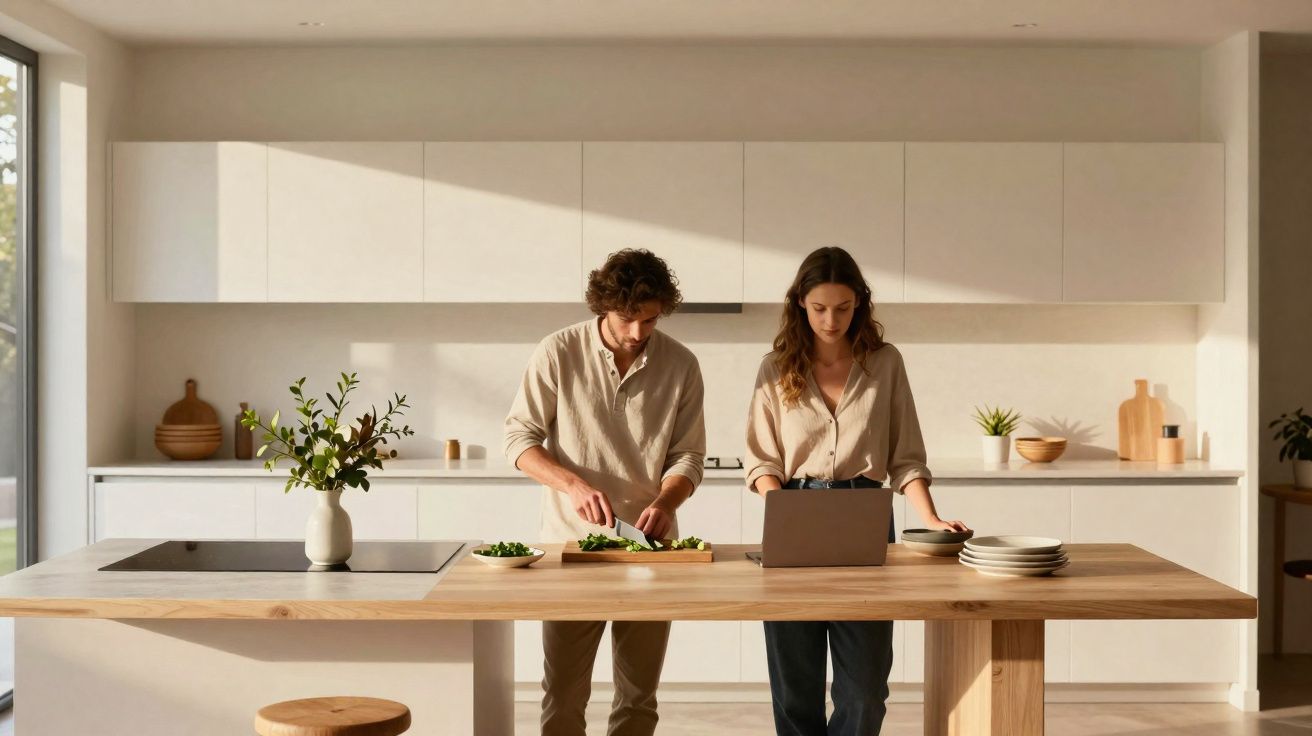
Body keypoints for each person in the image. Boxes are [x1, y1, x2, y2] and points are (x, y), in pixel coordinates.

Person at [745, 246, 969, 736]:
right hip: (794, 514)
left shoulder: (884, 364)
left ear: (859, 304)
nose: (831, 321)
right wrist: (782, 509)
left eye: (843, 308)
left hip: (864, 518)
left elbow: (906, 456)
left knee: (864, 689)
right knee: (795, 687)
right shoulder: (775, 367)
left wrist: (931, 519)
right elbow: (762, 460)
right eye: (820, 308)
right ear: (800, 303)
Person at [505, 248, 706, 736]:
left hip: (650, 549)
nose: (637, 332)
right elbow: (518, 440)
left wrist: (667, 501)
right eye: (626, 319)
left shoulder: (681, 364)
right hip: (571, 549)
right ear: (603, 307)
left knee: (638, 698)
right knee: (563, 693)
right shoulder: (558, 352)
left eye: (650, 320)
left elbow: (688, 456)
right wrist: (571, 484)